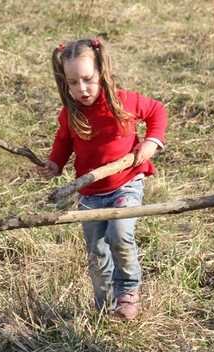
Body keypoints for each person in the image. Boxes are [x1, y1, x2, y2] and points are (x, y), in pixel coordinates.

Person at [36, 39, 167, 319]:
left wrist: (151, 142)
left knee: (119, 233)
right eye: (72, 82)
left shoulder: (124, 102)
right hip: (90, 193)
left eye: (87, 79)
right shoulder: (71, 113)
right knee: (96, 252)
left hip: (126, 183)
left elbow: (157, 111)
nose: (81, 89)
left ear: (102, 73)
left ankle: (128, 291)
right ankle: (105, 305)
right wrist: (55, 163)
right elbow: (63, 142)